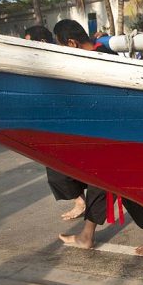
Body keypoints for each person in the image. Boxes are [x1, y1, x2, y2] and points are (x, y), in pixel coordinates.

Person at [52, 19, 143, 255]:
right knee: (105, 183)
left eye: (62, 47)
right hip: (117, 132)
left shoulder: (97, 60)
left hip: (120, 133)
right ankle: (87, 235)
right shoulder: (101, 53)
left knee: (124, 186)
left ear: (71, 43)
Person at [24, 25, 89, 220]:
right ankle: (80, 202)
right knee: (55, 165)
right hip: (59, 120)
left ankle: (84, 209)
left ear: (42, 42)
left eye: (28, 42)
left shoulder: (62, 58)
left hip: (76, 120)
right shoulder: (37, 63)